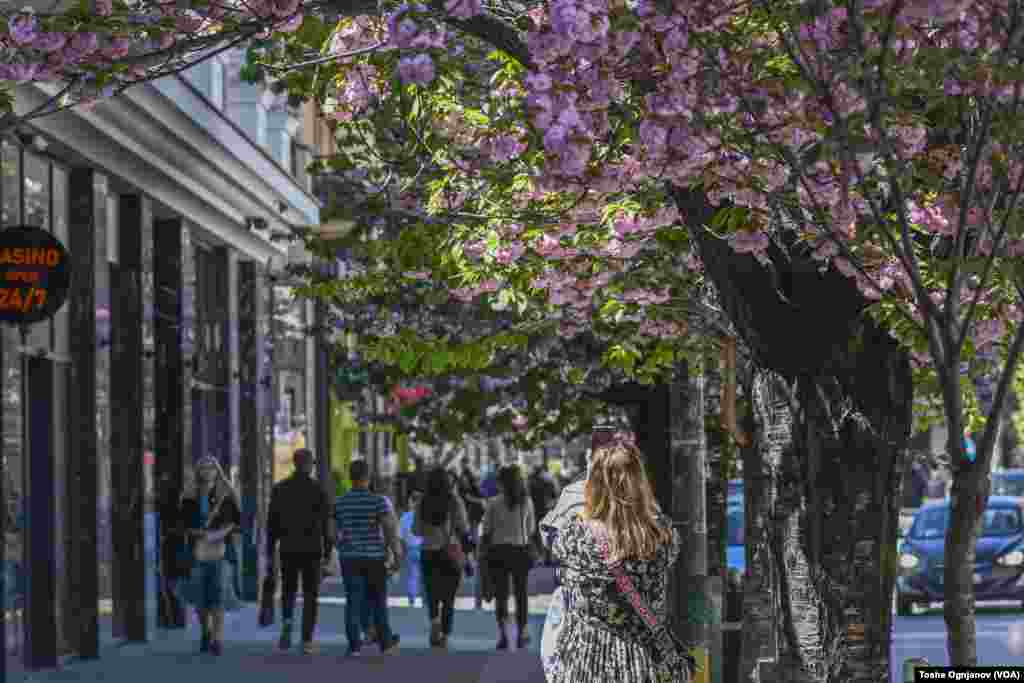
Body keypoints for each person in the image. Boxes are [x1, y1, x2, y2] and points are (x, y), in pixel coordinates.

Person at [543, 435, 682, 683]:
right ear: (640, 482)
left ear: (593, 484)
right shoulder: (661, 534)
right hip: (643, 661)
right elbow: (669, 556)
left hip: (586, 660)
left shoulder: (578, 533)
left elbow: (552, 541)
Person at [267, 448, 333, 654]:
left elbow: (272, 524)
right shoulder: (318, 491)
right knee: (311, 594)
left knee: (288, 590)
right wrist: (328, 554)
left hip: (288, 547)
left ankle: (287, 623)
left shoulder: (280, 489)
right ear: (310, 465)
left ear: (295, 464)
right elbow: (326, 526)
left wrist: (270, 551)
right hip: (311, 549)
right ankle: (306, 640)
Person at [334, 459, 402, 657]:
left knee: (353, 601)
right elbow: (389, 530)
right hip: (374, 558)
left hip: (350, 558)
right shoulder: (378, 502)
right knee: (379, 601)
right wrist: (396, 555)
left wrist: (343, 546)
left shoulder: (340, 502)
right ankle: (385, 644)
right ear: (368, 477)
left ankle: (354, 645)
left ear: (350, 477)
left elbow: (332, 533)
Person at [178, 455, 242, 656]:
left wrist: (221, 533)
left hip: (221, 553)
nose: (207, 471)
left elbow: (236, 521)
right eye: (204, 468)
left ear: (217, 470)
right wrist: (201, 533)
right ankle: (205, 631)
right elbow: (184, 524)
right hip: (198, 553)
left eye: (211, 467)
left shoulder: (226, 494)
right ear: (198, 472)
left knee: (218, 598)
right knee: (200, 600)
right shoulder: (190, 495)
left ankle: (217, 639)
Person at [414, 466, 469, 648]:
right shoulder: (455, 501)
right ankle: (445, 634)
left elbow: (416, 530)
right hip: (450, 552)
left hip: (428, 552)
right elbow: (464, 528)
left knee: (431, 593)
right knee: (448, 598)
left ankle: (434, 621)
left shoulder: (422, 502)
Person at [482, 465, 536, 650]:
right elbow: (530, 530)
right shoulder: (526, 502)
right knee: (521, 594)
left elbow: (487, 531)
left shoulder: (493, 503)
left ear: (501, 482)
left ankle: (503, 635)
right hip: (520, 551)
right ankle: (522, 633)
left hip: (498, 552)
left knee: (501, 596)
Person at [400, 490, 424, 607]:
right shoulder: (425, 516)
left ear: (411, 502)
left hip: (410, 549)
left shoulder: (404, 517)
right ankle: (426, 600)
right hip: (424, 548)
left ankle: (411, 599)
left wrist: (402, 550)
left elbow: (401, 535)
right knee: (425, 575)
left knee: (412, 575)